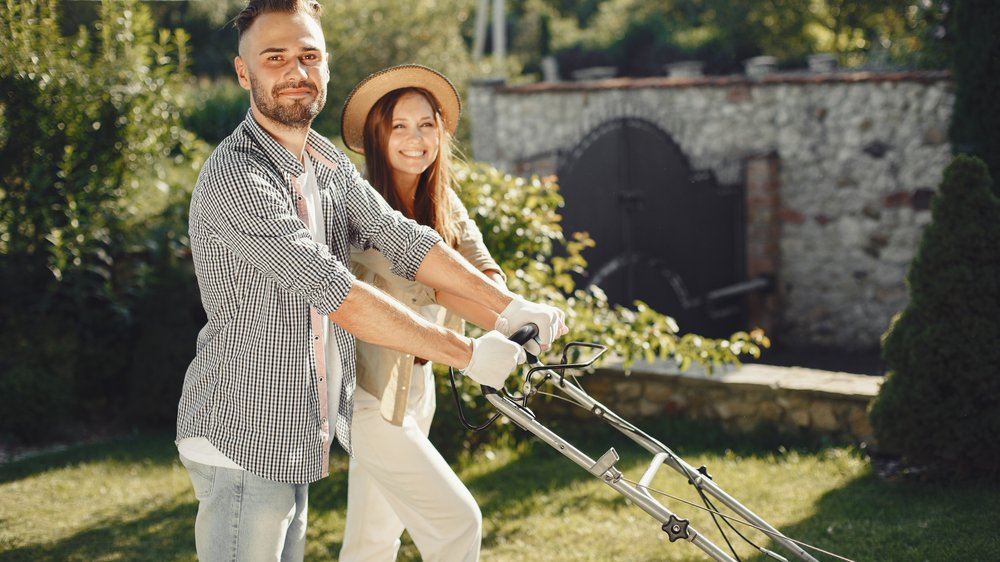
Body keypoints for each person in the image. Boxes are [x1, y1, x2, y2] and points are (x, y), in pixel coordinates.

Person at [174, 2, 566, 561]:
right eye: (275, 57)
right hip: (239, 437)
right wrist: (468, 352)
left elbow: (397, 235)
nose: (296, 72)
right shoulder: (238, 176)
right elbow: (339, 293)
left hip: (290, 436)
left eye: (309, 56)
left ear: (327, 66)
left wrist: (509, 307)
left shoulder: (323, 162)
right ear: (245, 73)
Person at [336, 65, 506, 562]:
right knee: (457, 524)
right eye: (399, 126)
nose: (416, 138)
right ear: (377, 136)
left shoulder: (443, 201)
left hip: (418, 389)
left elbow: (484, 273)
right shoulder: (359, 205)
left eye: (427, 124)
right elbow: (425, 287)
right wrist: (492, 318)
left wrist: (519, 315)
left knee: (372, 540)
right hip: (368, 394)